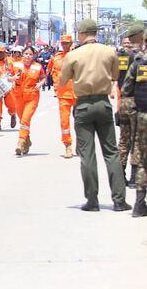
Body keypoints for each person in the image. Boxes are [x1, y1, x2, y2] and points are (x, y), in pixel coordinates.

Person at [60, 19, 131, 212]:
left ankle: (92, 201)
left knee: (87, 155)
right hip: (103, 102)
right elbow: (115, 75)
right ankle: (119, 200)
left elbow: (62, 80)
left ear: (82, 34)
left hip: (83, 104)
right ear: (95, 33)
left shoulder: (73, 55)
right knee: (111, 153)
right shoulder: (109, 52)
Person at [120, 28, 147, 217]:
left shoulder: (138, 63)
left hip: (142, 115)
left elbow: (126, 88)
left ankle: (139, 204)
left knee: (142, 157)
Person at [116, 25, 144, 186]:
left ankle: (120, 175)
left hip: (123, 101)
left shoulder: (122, 56)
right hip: (136, 101)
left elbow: (117, 78)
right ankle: (134, 177)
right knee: (136, 141)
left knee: (123, 140)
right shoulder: (140, 57)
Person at [47, 35, 77, 159]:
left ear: (71, 43)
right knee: (64, 121)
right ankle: (68, 145)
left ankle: (81, 143)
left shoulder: (77, 56)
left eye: (67, 43)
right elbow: (49, 72)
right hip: (63, 94)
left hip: (77, 93)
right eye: (63, 43)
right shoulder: (56, 58)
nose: (65, 45)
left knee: (81, 121)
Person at [12, 46, 45, 156]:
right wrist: (13, 78)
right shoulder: (16, 65)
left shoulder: (38, 67)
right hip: (18, 96)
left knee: (25, 120)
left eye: (30, 54)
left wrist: (40, 83)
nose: (28, 56)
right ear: (22, 54)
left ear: (33, 55)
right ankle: (27, 139)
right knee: (22, 120)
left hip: (32, 96)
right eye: (26, 53)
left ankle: (20, 142)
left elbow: (44, 77)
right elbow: (7, 76)